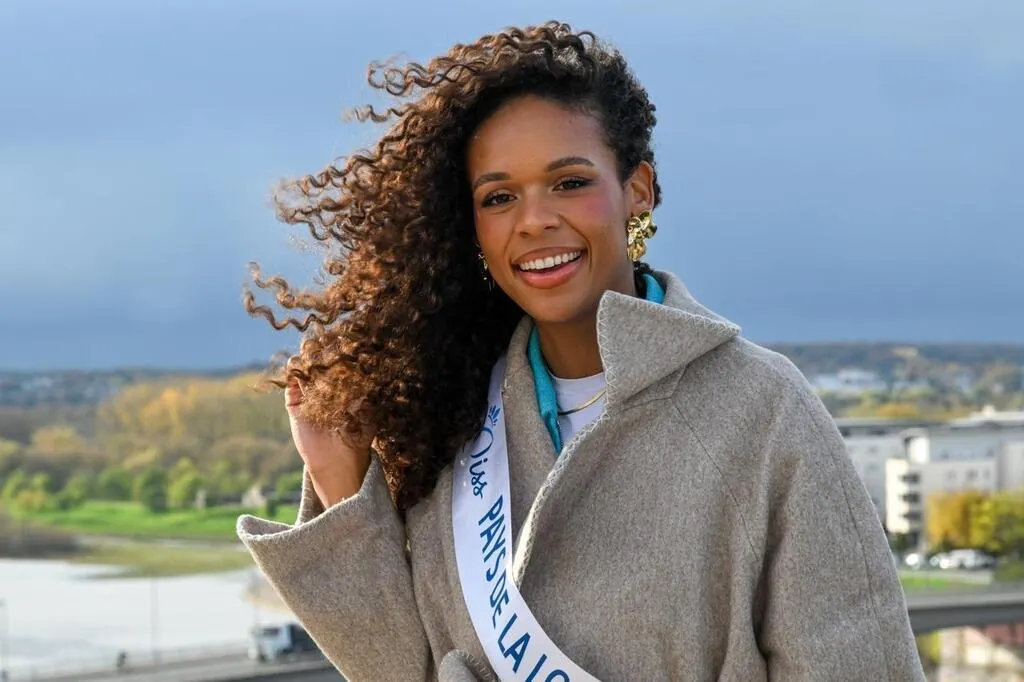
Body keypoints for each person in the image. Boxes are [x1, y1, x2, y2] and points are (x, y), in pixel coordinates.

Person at [237, 21, 924, 682]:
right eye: (499, 197)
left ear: (637, 190)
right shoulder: (451, 422)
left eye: (569, 182)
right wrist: (337, 478)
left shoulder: (762, 410)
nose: (534, 219)